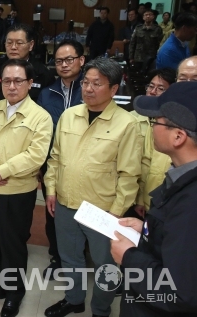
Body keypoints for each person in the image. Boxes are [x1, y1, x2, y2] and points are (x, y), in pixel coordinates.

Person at [43, 58, 142, 317]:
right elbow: (55, 158)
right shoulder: (69, 116)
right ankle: (74, 300)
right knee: (70, 258)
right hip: (65, 202)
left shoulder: (126, 124)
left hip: (103, 209)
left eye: (96, 83)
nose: (88, 88)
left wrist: (117, 212)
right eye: (85, 82)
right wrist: (51, 191)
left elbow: (129, 174)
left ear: (114, 89)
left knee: (105, 264)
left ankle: (101, 309)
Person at [0, 59, 53, 317]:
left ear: (30, 83)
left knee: (13, 244)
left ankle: (14, 293)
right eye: (7, 80)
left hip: (18, 191)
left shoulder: (41, 116)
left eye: (18, 81)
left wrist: (1, 171)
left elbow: (36, 156)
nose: (12, 86)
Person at [112, 82, 197, 317]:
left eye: (155, 122)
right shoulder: (181, 177)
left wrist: (128, 257)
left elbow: (178, 293)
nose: (151, 128)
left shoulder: (191, 204)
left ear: (178, 136)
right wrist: (150, 229)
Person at [36, 39, 86, 281]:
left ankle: (82, 257)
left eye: (69, 59)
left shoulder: (90, 89)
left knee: (84, 212)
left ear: (81, 60)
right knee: (53, 212)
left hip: (85, 165)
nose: (64, 65)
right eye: (59, 61)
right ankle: (57, 257)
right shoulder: (46, 93)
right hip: (52, 163)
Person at [130, 68, 175, 219]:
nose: (153, 91)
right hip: (130, 193)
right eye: (151, 86)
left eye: (161, 88)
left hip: (159, 197)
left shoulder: (171, 126)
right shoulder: (131, 119)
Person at [0, 23, 55, 102]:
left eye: (19, 43)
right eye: (9, 43)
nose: (13, 47)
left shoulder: (42, 74)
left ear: (31, 45)